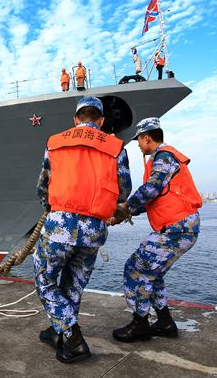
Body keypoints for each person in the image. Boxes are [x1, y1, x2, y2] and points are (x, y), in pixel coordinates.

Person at [35, 96, 131, 363]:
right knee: (74, 285)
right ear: (101, 120)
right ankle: (59, 334)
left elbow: (43, 185)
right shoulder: (116, 147)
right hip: (93, 230)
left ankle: (73, 335)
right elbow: (124, 190)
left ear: (76, 119)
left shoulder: (55, 143)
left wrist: (50, 207)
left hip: (59, 227)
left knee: (44, 280)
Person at [110, 117, 202, 343]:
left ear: (146, 137)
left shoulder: (163, 157)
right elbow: (154, 198)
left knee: (134, 268)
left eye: (139, 141)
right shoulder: (166, 158)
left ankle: (140, 323)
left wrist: (124, 209)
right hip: (179, 227)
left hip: (176, 228)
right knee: (153, 273)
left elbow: (151, 189)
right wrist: (128, 213)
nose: (139, 146)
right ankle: (165, 322)